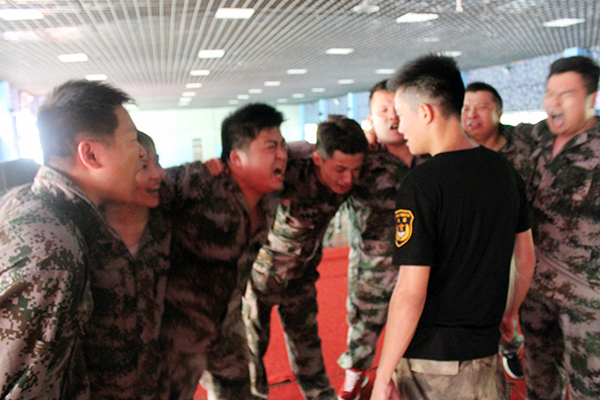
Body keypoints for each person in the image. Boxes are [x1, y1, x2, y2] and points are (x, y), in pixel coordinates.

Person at [370, 54, 535, 400]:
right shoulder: (505, 172)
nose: (400, 128)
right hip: (485, 354)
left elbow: (411, 292)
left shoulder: (422, 184)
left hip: (434, 364)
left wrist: (384, 373)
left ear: (425, 113)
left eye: (402, 116)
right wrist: (508, 314)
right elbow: (525, 259)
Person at [0, 80, 142, 399]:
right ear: (90, 153)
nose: (141, 155)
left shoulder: (30, 202)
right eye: (132, 141)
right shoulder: (52, 249)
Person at [160, 103, 287, 400]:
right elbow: (145, 184)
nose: (282, 154)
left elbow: (314, 153)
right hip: (179, 331)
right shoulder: (200, 184)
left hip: (227, 324)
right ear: (236, 158)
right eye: (271, 147)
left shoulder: (269, 197)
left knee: (237, 390)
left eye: (282, 145)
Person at [245, 116, 368, 400]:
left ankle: (320, 395)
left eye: (355, 170)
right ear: (317, 158)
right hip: (260, 274)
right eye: (339, 169)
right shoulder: (290, 162)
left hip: (301, 274)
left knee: (307, 343)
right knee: (251, 350)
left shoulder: (357, 169)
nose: (348, 179)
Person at [516, 55, 600, 400]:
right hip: (535, 289)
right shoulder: (536, 138)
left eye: (566, 94)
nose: (554, 102)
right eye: (549, 93)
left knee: (589, 388)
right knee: (539, 380)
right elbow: (489, 135)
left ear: (592, 99)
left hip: (588, 300)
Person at [336, 80, 426, 400]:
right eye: (383, 110)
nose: (392, 116)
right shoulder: (363, 160)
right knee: (363, 327)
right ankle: (355, 374)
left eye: (397, 108)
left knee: (420, 327)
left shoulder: (428, 154)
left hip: (423, 263)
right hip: (372, 265)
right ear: (371, 117)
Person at [82, 131, 170, 399]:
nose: (157, 174)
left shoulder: (169, 222)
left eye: (158, 162)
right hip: (98, 387)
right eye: (142, 166)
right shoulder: (84, 232)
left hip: (157, 380)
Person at [462, 81, 531, 380]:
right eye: (466, 108)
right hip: (474, 248)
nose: (472, 115)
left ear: (499, 113)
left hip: (517, 242)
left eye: (481, 107)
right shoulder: (456, 149)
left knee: (513, 305)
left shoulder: (522, 148)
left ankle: (511, 347)